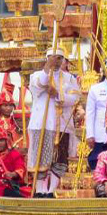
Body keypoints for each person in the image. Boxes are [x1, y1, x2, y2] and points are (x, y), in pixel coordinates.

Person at [27, 48, 81, 198]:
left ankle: (51, 191)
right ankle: (39, 190)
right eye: (52, 58)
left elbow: (75, 98)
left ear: (63, 59)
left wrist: (57, 94)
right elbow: (40, 84)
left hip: (62, 124)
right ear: (47, 58)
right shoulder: (37, 75)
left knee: (59, 159)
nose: (56, 61)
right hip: (42, 124)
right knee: (40, 158)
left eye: (59, 58)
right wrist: (47, 68)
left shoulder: (69, 78)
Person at [84, 54, 107, 174]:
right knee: (97, 161)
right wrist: (90, 134)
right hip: (100, 133)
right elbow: (90, 112)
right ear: (103, 70)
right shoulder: (95, 89)